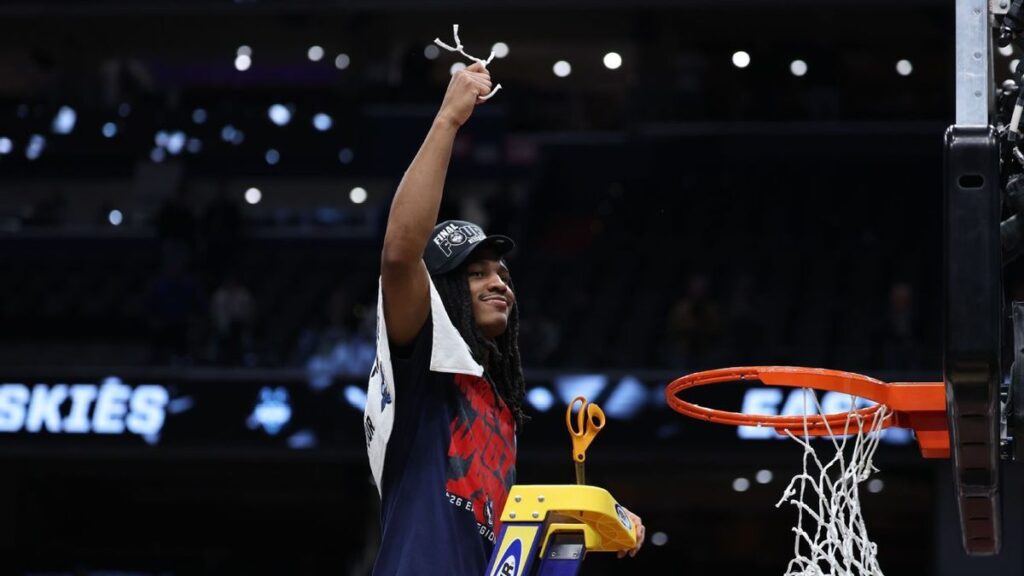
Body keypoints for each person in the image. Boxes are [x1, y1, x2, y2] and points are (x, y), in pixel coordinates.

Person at [363, 62, 645, 575]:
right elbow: (400, 254)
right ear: (444, 293)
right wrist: (448, 118)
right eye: (476, 274)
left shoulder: (499, 402)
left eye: (503, 274)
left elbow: (506, 532)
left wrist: (596, 520)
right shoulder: (422, 362)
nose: (499, 283)